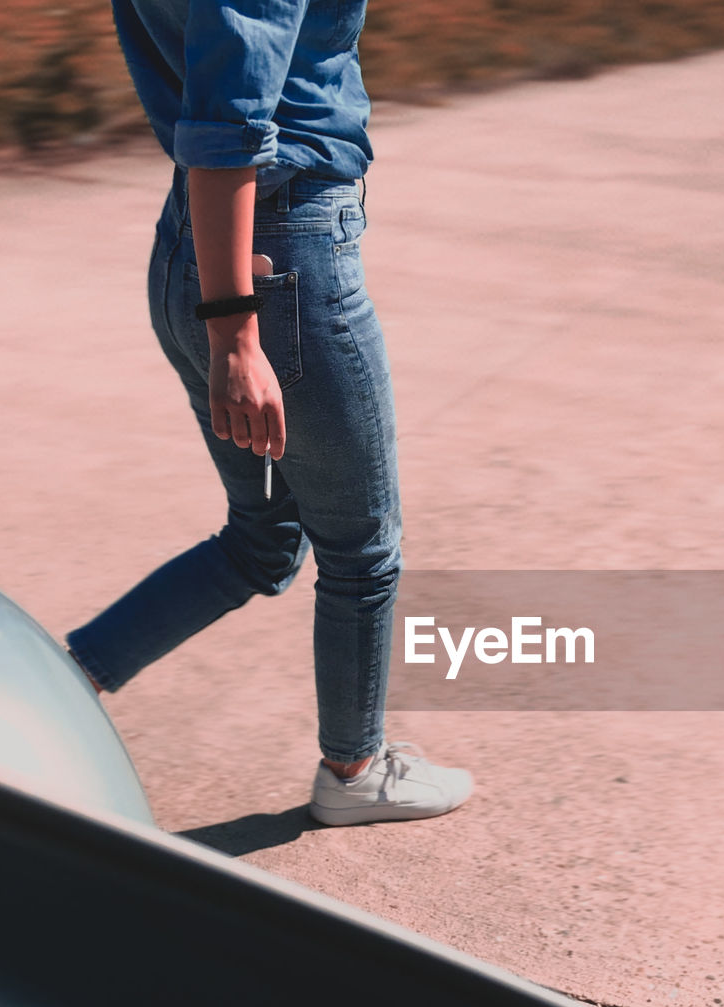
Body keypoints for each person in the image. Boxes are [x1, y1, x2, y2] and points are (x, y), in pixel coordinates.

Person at [68, 0, 472, 825]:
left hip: (199, 243)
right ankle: (354, 773)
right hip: (273, 261)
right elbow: (229, 119)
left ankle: (60, 678)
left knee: (262, 540)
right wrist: (236, 335)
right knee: (362, 549)